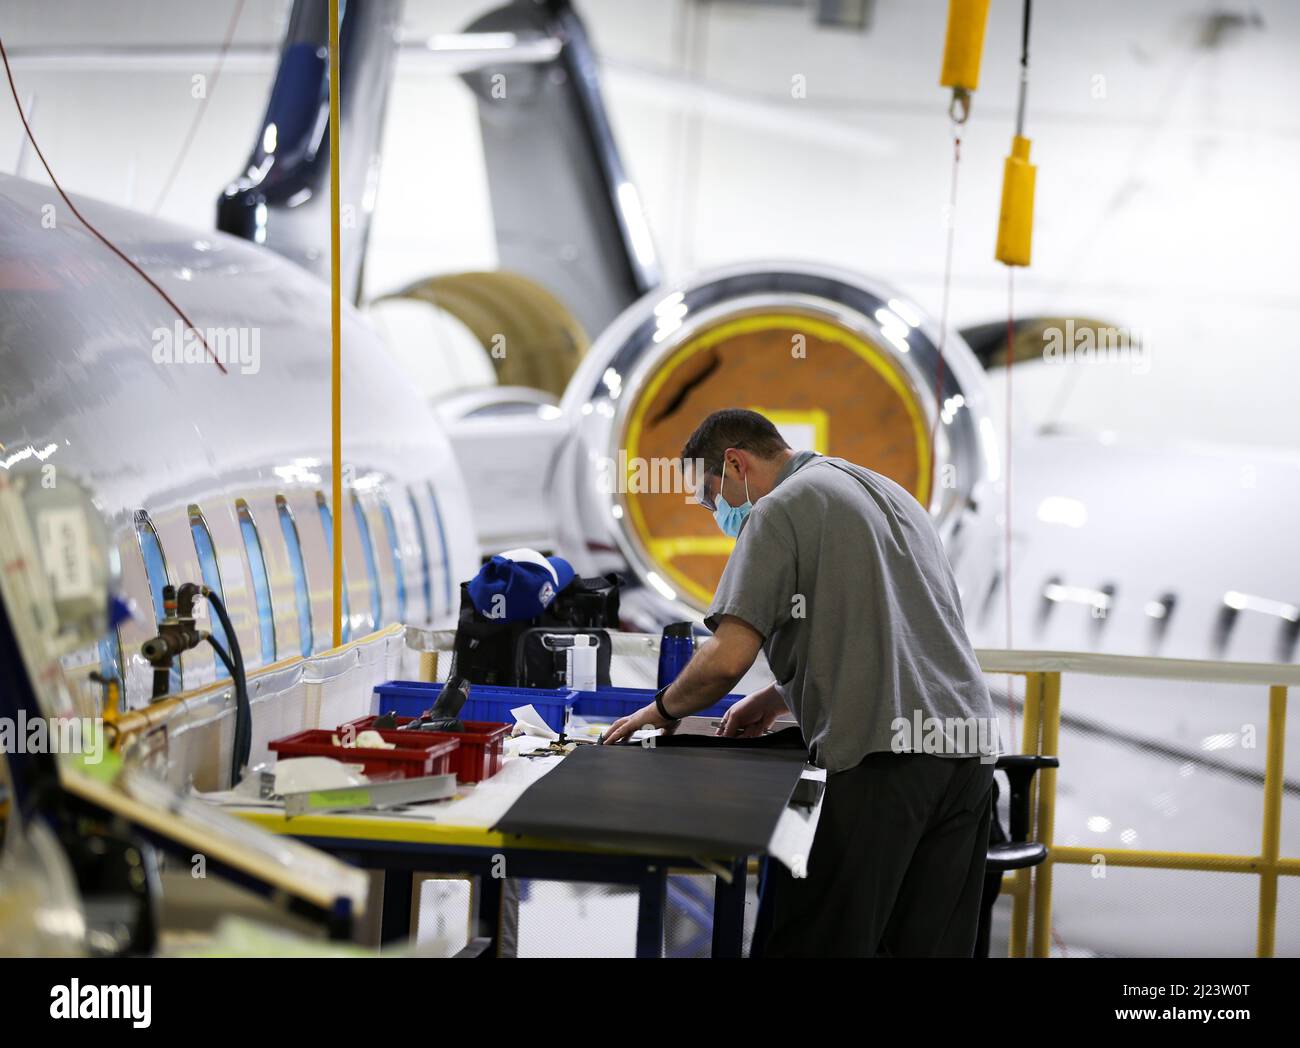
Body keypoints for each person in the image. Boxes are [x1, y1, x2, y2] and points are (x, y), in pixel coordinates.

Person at [601, 408, 997, 957]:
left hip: (882, 765)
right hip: (967, 757)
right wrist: (780, 694)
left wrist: (659, 710)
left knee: (812, 941)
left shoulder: (779, 509)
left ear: (735, 464)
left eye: (710, 496)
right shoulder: (884, 491)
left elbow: (724, 660)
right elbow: (890, 623)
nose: (715, 511)